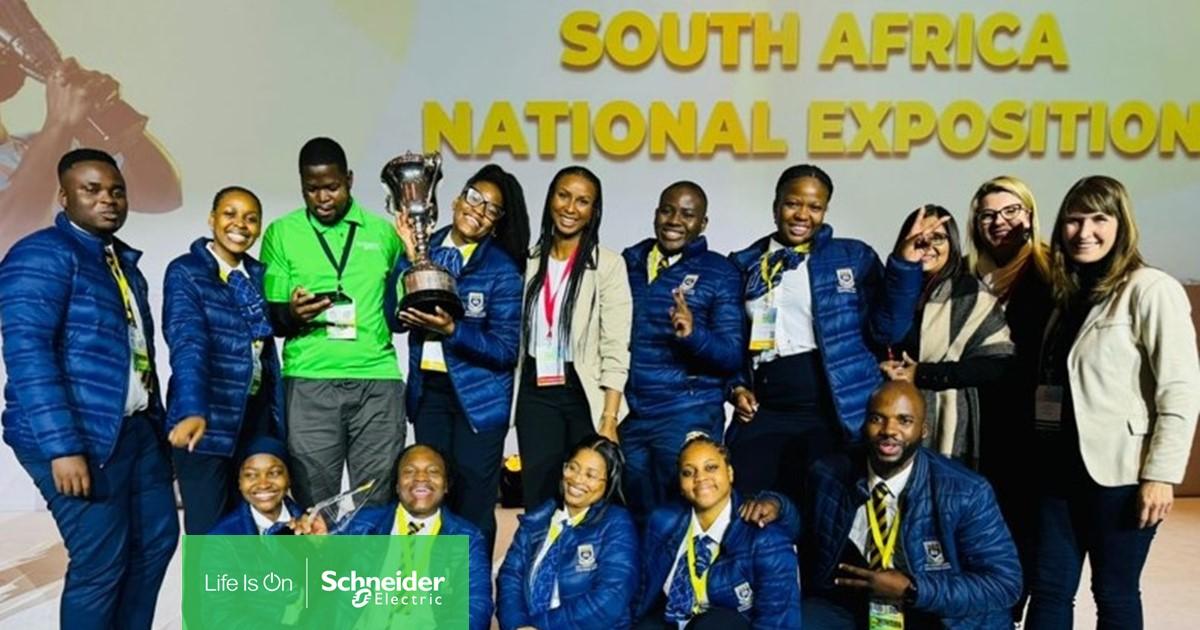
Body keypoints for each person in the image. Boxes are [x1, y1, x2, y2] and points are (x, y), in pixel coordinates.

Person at [0, 149, 179, 629]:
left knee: (157, 541)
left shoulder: (118, 262)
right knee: (101, 562)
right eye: (92, 190)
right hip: (75, 438)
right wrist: (63, 447)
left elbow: (135, 353)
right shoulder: (40, 255)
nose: (109, 200)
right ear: (64, 196)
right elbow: (27, 355)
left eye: (116, 191)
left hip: (133, 431)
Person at [1025, 176, 1200, 629]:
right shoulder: (1066, 296)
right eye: (1074, 219)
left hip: (1119, 476)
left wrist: (1161, 475)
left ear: (1122, 224)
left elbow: (1179, 390)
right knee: (1048, 591)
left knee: (1114, 592)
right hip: (1056, 474)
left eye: (1099, 219)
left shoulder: (1150, 288)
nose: (1085, 232)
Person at [726, 163, 931, 509]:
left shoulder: (853, 256)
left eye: (814, 206)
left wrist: (904, 266)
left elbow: (888, 330)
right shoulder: (744, 264)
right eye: (793, 203)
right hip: (767, 408)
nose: (802, 214)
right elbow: (731, 341)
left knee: (822, 513)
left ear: (825, 211)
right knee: (751, 506)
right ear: (776, 205)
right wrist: (735, 386)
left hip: (833, 411)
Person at [753, 380, 1022, 628]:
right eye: (877, 419)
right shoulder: (829, 472)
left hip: (938, 615)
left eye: (904, 421)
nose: (889, 431)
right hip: (852, 604)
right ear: (864, 425)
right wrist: (777, 506)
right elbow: (806, 517)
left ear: (923, 430)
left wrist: (913, 590)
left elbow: (1004, 583)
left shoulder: (966, 490)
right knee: (789, 622)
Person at [385, 163, 528, 553]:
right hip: (429, 394)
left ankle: (472, 603)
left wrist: (453, 330)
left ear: (497, 222)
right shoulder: (424, 246)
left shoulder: (502, 270)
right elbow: (391, 319)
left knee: (474, 506)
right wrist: (408, 258)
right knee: (433, 501)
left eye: (491, 209)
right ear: (455, 199)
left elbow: (505, 349)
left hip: (479, 404)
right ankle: (435, 598)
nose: (477, 210)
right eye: (473, 198)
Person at [259, 137, 406, 508]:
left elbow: (399, 314)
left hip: (377, 377)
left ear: (350, 180)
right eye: (312, 189)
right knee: (315, 503)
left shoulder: (384, 233)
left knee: (374, 501)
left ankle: (365, 570)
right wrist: (292, 314)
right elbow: (273, 317)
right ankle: (320, 570)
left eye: (332, 187)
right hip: (310, 379)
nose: (323, 197)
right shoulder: (281, 233)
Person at [619, 181, 745, 523]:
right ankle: (645, 580)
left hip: (688, 412)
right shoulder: (628, 263)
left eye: (687, 214)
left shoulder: (719, 272)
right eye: (667, 210)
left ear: (702, 224)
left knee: (686, 516)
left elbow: (733, 354)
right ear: (656, 214)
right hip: (635, 417)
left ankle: (687, 579)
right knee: (639, 518)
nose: (674, 220)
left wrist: (693, 335)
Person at [163, 186, 285, 534]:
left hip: (255, 415)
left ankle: (248, 589)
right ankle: (209, 591)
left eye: (251, 218)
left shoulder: (257, 276)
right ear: (212, 219)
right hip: (206, 421)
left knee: (250, 525)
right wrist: (190, 409)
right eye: (230, 214)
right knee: (209, 532)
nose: (240, 225)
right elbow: (188, 344)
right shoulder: (186, 272)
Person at [515, 165, 632, 509]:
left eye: (583, 201)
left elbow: (615, 345)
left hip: (584, 391)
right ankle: (540, 561)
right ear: (551, 198)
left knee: (590, 497)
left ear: (594, 211)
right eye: (563, 196)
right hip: (536, 392)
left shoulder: (608, 265)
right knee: (539, 493)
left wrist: (609, 419)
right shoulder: (528, 261)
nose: (570, 208)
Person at [965, 175, 1054, 622]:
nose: (999, 222)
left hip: (1027, 428)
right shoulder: (967, 274)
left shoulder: (1050, 272)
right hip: (974, 424)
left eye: (1010, 211)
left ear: (1030, 215)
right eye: (988, 215)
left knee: (1021, 535)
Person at [1, 56, 181, 254]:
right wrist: (59, 124)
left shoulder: (50, 146)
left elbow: (162, 197)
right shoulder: (54, 142)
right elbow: (11, 232)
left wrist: (109, 113)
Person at [879, 205, 1014, 468]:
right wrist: (881, 367)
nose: (926, 243)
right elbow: (873, 341)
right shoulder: (885, 287)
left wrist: (922, 374)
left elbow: (998, 363)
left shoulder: (971, 294)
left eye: (938, 237)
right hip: (888, 416)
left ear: (952, 243)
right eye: (918, 234)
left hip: (947, 424)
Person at [634, 433, 801, 629]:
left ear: (730, 473)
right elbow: (639, 594)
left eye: (711, 467)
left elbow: (778, 623)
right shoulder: (662, 522)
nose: (700, 478)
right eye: (688, 472)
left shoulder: (765, 538)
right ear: (680, 485)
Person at [320, 444, 493, 630]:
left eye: (433, 471)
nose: (420, 478)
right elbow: (318, 570)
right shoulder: (361, 524)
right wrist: (313, 542)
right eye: (409, 471)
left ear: (446, 486)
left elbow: (475, 605)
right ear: (396, 485)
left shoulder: (468, 537)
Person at [497, 436, 638, 630]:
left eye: (591, 475)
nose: (577, 479)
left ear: (609, 482)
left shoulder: (617, 523)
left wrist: (539, 627)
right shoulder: (536, 521)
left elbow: (611, 597)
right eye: (572, 467)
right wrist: (518, 625)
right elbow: (510, 578)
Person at [209, 436, 302, 535]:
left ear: (289, 478)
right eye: (251, 475)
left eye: (274, 473)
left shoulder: (313, 525)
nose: (263, 485)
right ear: (240, 482)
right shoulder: (221, 537)